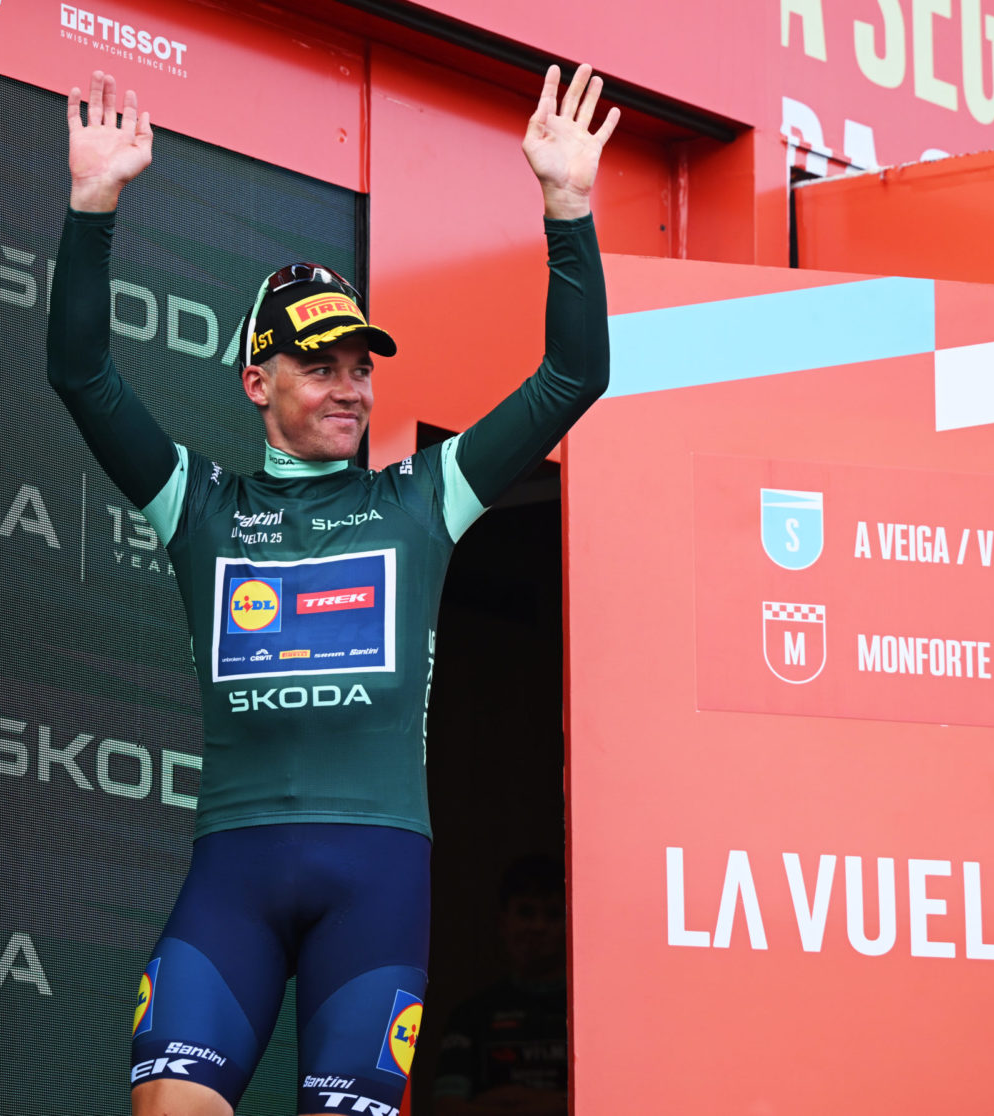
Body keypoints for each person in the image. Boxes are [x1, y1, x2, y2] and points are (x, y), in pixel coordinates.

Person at [47, 62, 617, 1116]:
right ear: (257, 381)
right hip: (234, 877)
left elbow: (572, 378)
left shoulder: (422, 498)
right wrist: (92, 210)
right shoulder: (199, 507)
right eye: (320, 366)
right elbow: (82, 376)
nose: (349, 387)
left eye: (361, 365)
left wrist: (567, 210)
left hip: (377, 884)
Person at [433, 857, 569, 1116]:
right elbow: (447, 1109)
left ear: (571, 923)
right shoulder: (470, 1015)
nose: (538, 926)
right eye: (526, 912)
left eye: (552, 914)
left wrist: (511, 1103)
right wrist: (554, 1105)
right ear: (503, 922)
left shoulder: (590, 1015)